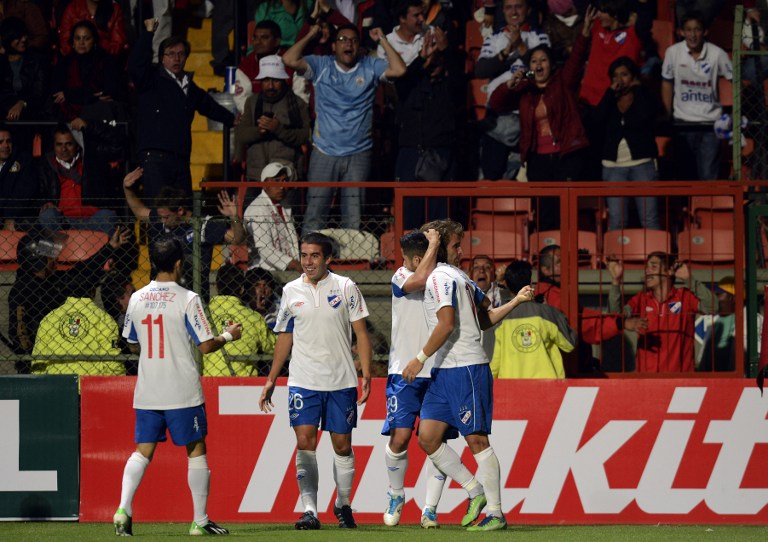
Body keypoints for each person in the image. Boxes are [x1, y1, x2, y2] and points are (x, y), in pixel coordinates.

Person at [401, 219, 535, 531]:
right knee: (428, 437)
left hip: (466, 368)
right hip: (445, 371)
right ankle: (475, 490)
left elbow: (448, 323)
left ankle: (497, 513)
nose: (461, 251)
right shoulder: (453, 277)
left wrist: (419, 359)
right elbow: (486, 319)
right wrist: (515, 300)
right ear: (440, 249)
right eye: (456, 245)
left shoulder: (445, 278)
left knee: (476, 440)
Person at [113, 235, 241, 536]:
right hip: (181, 390)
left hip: (148, 390)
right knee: (196, 449)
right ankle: (200, 520)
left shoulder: (137, 298)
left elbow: (131, 344)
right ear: (180, 263)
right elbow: (207, 346)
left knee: (142, 451)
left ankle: (123, 508)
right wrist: (229, 335)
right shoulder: (188, 299)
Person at [259, 231, 372, 530]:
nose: (308, 262)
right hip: (303, 380)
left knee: (342, 446)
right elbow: (285, 335)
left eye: (314, 256)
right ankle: (310, 510)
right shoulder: (290, 291)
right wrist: (272, 378)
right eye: (304, 255)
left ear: (328, 259)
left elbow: (361, 333)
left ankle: (342, 504)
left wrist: (367, 373)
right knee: (305, 442)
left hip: (341, 381)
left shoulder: (346, 287)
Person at [282, 23, 406, 232]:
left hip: (359, 153)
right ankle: (311, 260)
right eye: (342, 40)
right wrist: (312, 33)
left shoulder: (370, 66)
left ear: (359, 46)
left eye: (353, 40)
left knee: (354, 215)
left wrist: (382, 38)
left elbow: (399, 69)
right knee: (316, 211)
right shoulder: (322, 65)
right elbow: (289, 59)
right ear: (333, 47)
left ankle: (353, 262)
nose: (348, 43)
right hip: (324, 151)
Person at [487, 7, 595, 230]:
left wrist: (584, 33)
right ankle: (547, 254)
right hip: (538, 159)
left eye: (543, 60)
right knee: (545, 209)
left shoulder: (563, 83)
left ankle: (569, 254)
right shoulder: (525, 91)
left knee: (566, 209)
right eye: (534, 61)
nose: (538, 65)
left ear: (551, 64)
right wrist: (509, 85)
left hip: (566, 155)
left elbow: (575, 61)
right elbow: (496, 103)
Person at [382, 228, 448, 528]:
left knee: (435, 441)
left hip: (438, 369)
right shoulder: (400, 277)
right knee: (401, 437)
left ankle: (430, 508)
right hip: (403, 370)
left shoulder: (443, 278)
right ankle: (396, 494)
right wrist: (435, 242)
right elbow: (417, 280)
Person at [128, 18, 236, 199]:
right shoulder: (151, 79)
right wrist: (148, 33)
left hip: (181, 157)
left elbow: (208, 106)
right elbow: (135, 64)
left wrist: (232, 119)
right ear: (162, 58)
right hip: (155, 156)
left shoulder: (189, 85)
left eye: (181, 54)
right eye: (170, 54)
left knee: (182, 211)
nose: (176, 58)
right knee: (159, 210)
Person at [8, 226, 130, 373]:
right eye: (50, 257)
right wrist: (30, 359)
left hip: (61, 350)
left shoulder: (52, 280)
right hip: (40, 360)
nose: (55, 259)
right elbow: (19, 333)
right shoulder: (22, 291)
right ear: (38, 260)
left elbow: (82, 271)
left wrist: (109, 248)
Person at [122, 167, 246, 301]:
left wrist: (234, 216)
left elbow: (237, 239)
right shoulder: (163, 219)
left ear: (180, 211)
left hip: (191, 297)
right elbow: (140, 212)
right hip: (163, 298)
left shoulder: (203, 225)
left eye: (166, 217)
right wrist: (127, 189)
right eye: (161, 217)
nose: (162, 220)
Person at [607, 251, 717, 372]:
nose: (647, 271)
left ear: (669, 271)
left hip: (680, 380)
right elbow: (615, 317)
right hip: (647, 380)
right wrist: (616, 281)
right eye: (647, 267)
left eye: (653, 267)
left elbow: (713, 307)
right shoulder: (641, 299)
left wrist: (689, 279)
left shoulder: (684, 296)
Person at [661, 11, 733, 181]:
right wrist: (666, 113)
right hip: (682, 124)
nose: (693, 35)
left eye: (697, 30)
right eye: (688, 30)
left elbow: (735, 81)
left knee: (708, 176)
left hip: (710, 125)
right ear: (681, 32)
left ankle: (707, 208)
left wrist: (731, 113)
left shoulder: (718, 54)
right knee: (685, 175)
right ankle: (687, 209)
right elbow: (666, 83)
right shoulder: (673, 52)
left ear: (705, 31)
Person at [594, 56, 660, 231]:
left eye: (624, 74)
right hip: (613, 166)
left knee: (649, 219)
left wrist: (637, 90)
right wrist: (609, 93)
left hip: (642, 165)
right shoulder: (609, 100)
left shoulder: (644, 96)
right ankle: (615, 258)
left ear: (633, 77)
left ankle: (655, 258)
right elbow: (596, 121)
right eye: (615, 76)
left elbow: (646, 116)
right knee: (617, 221)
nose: (619, 80)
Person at [491, 260, 577, 378]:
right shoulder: (548, 313)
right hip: (547, 387)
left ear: (506, 284)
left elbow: (495, 362)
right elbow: (569, 344)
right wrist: (554, 315)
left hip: (511, 387)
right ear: (530, 283)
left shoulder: (501, 318)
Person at [234, 55, 310, 187]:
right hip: (256, 176)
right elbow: (241, 135)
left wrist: (279, 130)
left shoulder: (298, 104)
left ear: (284, 80)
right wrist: (260, 131)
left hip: (286, 176)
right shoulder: (251, 102)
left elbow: (305, 136)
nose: (270, 86)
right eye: (266, 80)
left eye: (276, 81)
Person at [31, 276, 125, 376]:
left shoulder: (49, 319)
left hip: (57, 384)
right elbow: (113, 361)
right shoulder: (105, 319)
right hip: (90, 386)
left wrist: (43, 386)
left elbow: (38, 361)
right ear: (93, 291)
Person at [38, 125, 118, 235]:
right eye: (59, 144)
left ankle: (101, 252)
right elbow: (36, 192)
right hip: (64, 221)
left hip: (93, 220)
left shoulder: (91, 162)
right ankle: (57, 252)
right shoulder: (45, 165)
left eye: (69, 144)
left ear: (77, 145)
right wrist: (44, 202)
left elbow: (117, 143)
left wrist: (89, 125)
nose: (64, 149)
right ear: (54, 146)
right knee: (47, 215)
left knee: (108, 216)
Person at [204, 264, 276, 376]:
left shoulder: (202, 314)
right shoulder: (254, 317)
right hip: (243, 386)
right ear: (242, 289)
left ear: (216, 286)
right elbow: (273, 347)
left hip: (209, 381)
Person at [52, 20, 123, 124]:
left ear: (94, 41)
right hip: (69, 110)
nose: (81, 43)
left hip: (96, 110)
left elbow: (106, 91)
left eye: (86, 39)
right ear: (72, 42)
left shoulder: (106, 60)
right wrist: (88, 94)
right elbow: (57, 94)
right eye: (77, 38)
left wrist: (69, 94)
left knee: (104, 108)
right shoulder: (64, 62)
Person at [243, 161, 302, 272]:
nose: (281, 186)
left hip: (286, 270)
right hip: (264, 273)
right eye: (276, 181)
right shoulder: (257, 209)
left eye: (284, 181)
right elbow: (265, 249)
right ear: (265, 184)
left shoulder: (284, 206)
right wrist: (293, 264)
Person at [697, 276, 763, 372]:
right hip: (714, 381)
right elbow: (702, 361)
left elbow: (753, 357)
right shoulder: (714, 324)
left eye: (719, 295)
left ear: (733, 298)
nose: (715, 299)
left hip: (741, 382)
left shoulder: (754, 321)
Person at [0, 17, 48, 126]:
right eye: (18, 37)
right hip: (4, 113)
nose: (24, 39)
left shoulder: (36, 60)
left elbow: (39, 93)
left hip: (31, 112)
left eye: (24, 35)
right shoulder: (2, 61)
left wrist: (22, 103)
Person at [234, 20, 285, 113]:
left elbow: (301, 96)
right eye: (255, 37)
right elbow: (242, 101)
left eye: (264, 38)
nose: (257, 42)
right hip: (256, 118)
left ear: (277, 41)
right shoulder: (246, 66)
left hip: (288, 116)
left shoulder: (290, 61)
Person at [0, 125, 39, 232]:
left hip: (17, 216)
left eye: (8, 141)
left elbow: (24, 192)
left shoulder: (24, 161)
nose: (6, 146)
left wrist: (10, 216)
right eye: (0, 142)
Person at [58, 0, 129, 57]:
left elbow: (118, 45)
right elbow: (65, 43)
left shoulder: (114, 9)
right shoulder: (73, 8)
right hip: (76, 62)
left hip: (105, 62)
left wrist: (97, 44)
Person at [471, 255, 507, 361]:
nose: (482, 271)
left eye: (487, 267)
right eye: (476, 267)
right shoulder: (462, 295)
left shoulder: (501, 294)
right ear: (469, 274)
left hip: (497, 356)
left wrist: (501, 283)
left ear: (493, 274)